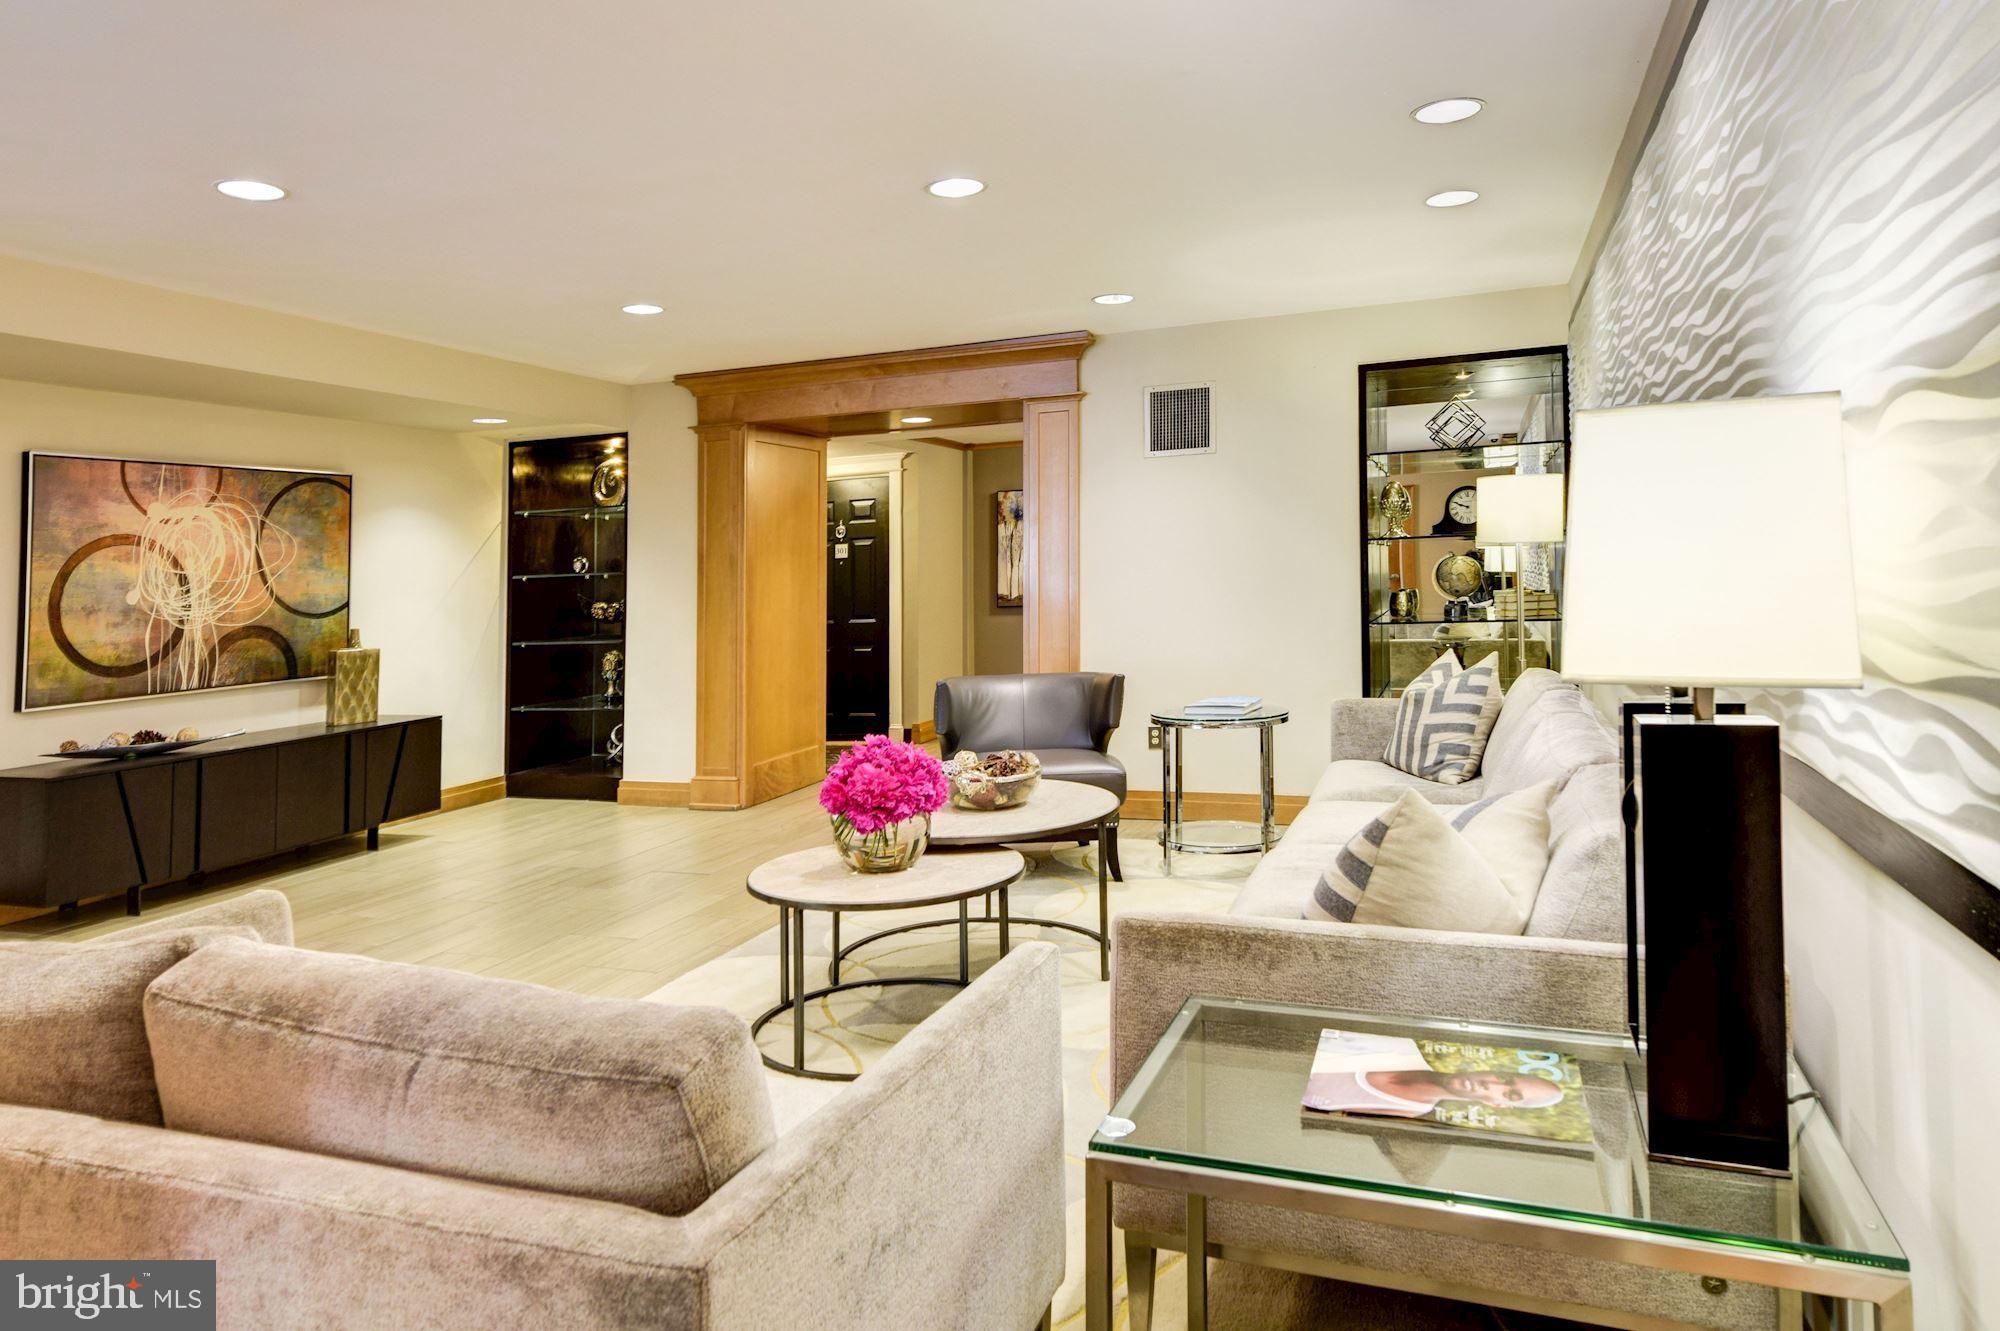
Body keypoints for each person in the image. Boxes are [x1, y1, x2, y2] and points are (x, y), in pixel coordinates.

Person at [1302, 1030, 1564, 1119]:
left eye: (1509, 1093)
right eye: (1504, 1077)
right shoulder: (1400, 1047)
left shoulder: (1412, 1111)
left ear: (1497, 1103)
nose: (1490, 1083)